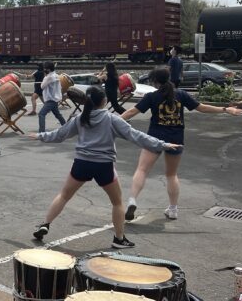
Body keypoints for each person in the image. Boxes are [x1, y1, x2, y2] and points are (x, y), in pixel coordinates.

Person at [29, 86, 181, 248]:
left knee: (64, 195)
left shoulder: (80, 118)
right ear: (104, 101)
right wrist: (162, 144)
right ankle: (119, 239)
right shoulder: (111, 119)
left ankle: (45, 224)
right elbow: (136, 136)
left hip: (81, 164)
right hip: (104, 166)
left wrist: (40, 136)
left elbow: (59, 135)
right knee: (117, 203)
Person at [121, 67, 242, 221]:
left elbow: (132, 112)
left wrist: (113, 121)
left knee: (142, 169)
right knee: (171, 175)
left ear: (154, 81)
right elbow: (202, 108)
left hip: (154, 137)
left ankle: (132, 200)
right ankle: (173, 210)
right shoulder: (181, 94)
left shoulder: (152, 96)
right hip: (176, 139)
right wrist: (225, 109)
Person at [38, 62, 66, 133]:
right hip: (55, 98)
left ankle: (42, 132)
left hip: (51, 99)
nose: (44, 69)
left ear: (49, 69)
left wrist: (45, 77)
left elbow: (42, 86)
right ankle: (66, 127)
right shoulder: (56, 75)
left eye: (45, 68)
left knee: (41, 114)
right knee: (57, 115)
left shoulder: (49, 77)